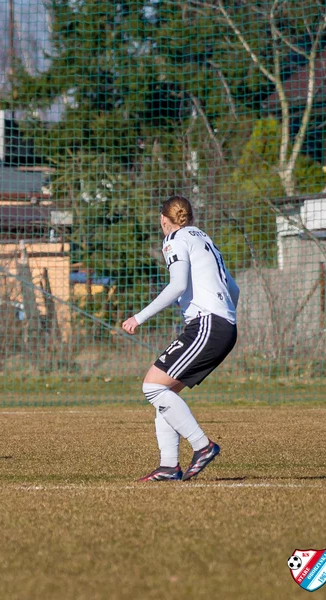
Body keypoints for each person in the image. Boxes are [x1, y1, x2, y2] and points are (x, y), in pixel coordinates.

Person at [122, 195, 239, 482]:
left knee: (152, 387)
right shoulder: (204, 238)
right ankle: (168, 466)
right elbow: (233, 289)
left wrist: (139, 317)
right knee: (164, 392)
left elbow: (178, 285)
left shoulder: (174, 239)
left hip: (207, 325)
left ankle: (202, 446)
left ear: (163, 219)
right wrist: (224, 316)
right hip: (221, 325)